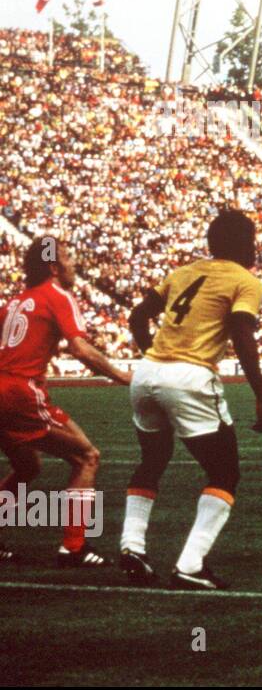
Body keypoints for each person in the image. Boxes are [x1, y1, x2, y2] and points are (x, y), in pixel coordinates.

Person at [119, 210, 262, 589]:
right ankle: (190, 565)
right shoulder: (245, 281)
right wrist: (261, 395)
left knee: (152, 461)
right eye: (252, 241)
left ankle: (131, 546)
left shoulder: (183, 272)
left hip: (147, 373)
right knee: (224, 473)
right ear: (243, 244)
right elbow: (241, 334)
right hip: (189, 377)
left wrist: (153, 356)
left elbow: (137, 317)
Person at [0, 238, 131, 566]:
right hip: (21, 393)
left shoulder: (13, 302)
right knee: (86, 457)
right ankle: (73, 547)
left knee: (28, 467)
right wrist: (123, 376)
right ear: (53, 267)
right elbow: (80, 349)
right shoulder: (58, 295)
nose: (74, 263)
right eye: (68, 256)